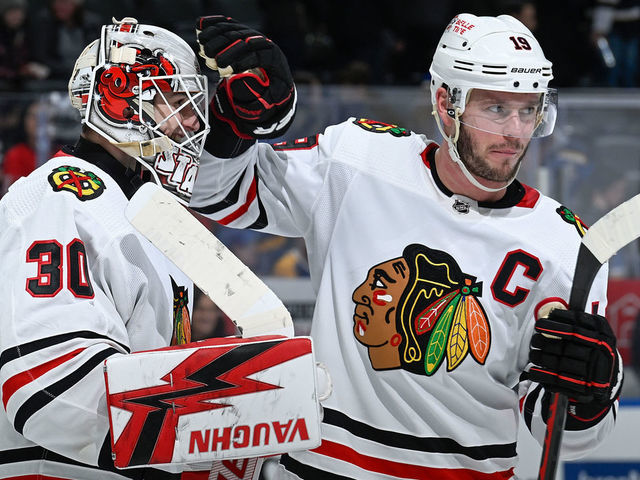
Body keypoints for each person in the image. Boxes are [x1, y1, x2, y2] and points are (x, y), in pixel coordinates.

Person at [190, 13, 623, 478]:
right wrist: (235, 128)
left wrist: (592, 393)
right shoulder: (358, 160)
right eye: (496, 109)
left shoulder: (564, 245)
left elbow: (563, 433)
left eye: (528, 109)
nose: (515, 132)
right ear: (445, 102)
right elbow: (214, 193)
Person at [0, 16, 215, 478]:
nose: (194, 122)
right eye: (178, 103)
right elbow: (45, 384)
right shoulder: (63, 197)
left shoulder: (138, 207)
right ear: (119, 100)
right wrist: (191, 444)